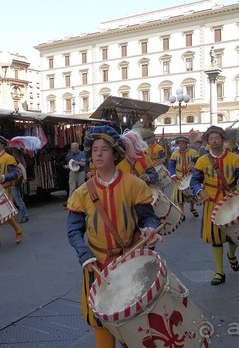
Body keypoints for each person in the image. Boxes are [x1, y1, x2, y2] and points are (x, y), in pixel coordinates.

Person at [66, 125, 162, 348]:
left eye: (104, 149)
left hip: (131, 260)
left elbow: (148, 218)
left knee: (133, 317)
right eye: (94, 149)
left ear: (116, 154)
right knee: (100, 319)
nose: (97, 154)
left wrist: (149, 229)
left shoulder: (134, 184)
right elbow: (73, 230)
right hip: (97, 264)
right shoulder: (81, 193)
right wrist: (84, 255)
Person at [190, 126, 239, 286]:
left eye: (217, 138)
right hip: (212, 201)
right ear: (207, 142)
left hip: (231, 200)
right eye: (211, 138)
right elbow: (194, 181)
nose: (214, 141)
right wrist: (199, 190)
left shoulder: (235, 158)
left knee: (234, 233)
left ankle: (231, 254)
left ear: (223, 140)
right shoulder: (202, 161)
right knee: (216, 237)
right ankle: (219, 272)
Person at [168, 136, 200, 219]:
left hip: (190, 176)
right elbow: (171, 166)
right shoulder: (174, 154)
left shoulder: (193, 153)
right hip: (179, 177)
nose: (181, 145)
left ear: (187, 143)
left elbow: (199, 164)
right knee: (179, 197)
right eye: (179, 143)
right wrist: (173, 174)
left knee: (191, 194)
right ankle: (182, 213)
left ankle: (192, 208)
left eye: (183, 143)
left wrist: (194, 168)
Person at [11, 158, 29, 223]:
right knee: (17, 199)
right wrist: (25, 178)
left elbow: (22, 167)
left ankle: (25, 215)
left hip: (13, 182)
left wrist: (25, 178)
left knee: (17, 199)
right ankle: (24, 215)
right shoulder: (13, 158)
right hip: (12, 182)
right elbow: (22, 167)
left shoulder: (11, 159)